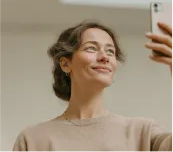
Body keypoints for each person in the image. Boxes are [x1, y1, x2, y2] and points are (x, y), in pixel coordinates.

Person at [13, 21, 173, 152]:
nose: (105, 57)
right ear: (65, 63)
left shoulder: (143, 132)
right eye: (91, 48)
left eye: (110, 51)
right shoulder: (33, 140)